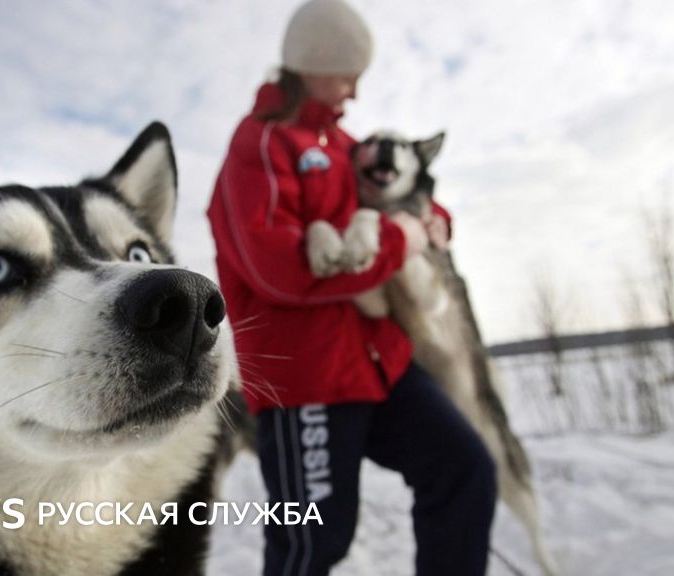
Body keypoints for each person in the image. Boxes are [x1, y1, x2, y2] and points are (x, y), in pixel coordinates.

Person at [206, 1, 497, 574]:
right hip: (307, 379)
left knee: (465, 470)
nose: (356, 92)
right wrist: (399, 241)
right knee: (313, 544)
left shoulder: (342, 143)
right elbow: (278, 269)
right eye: (347, 76)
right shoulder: (260, 143)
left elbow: (401, 189)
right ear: (312, 64)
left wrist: (434, 220)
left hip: (380, 361)